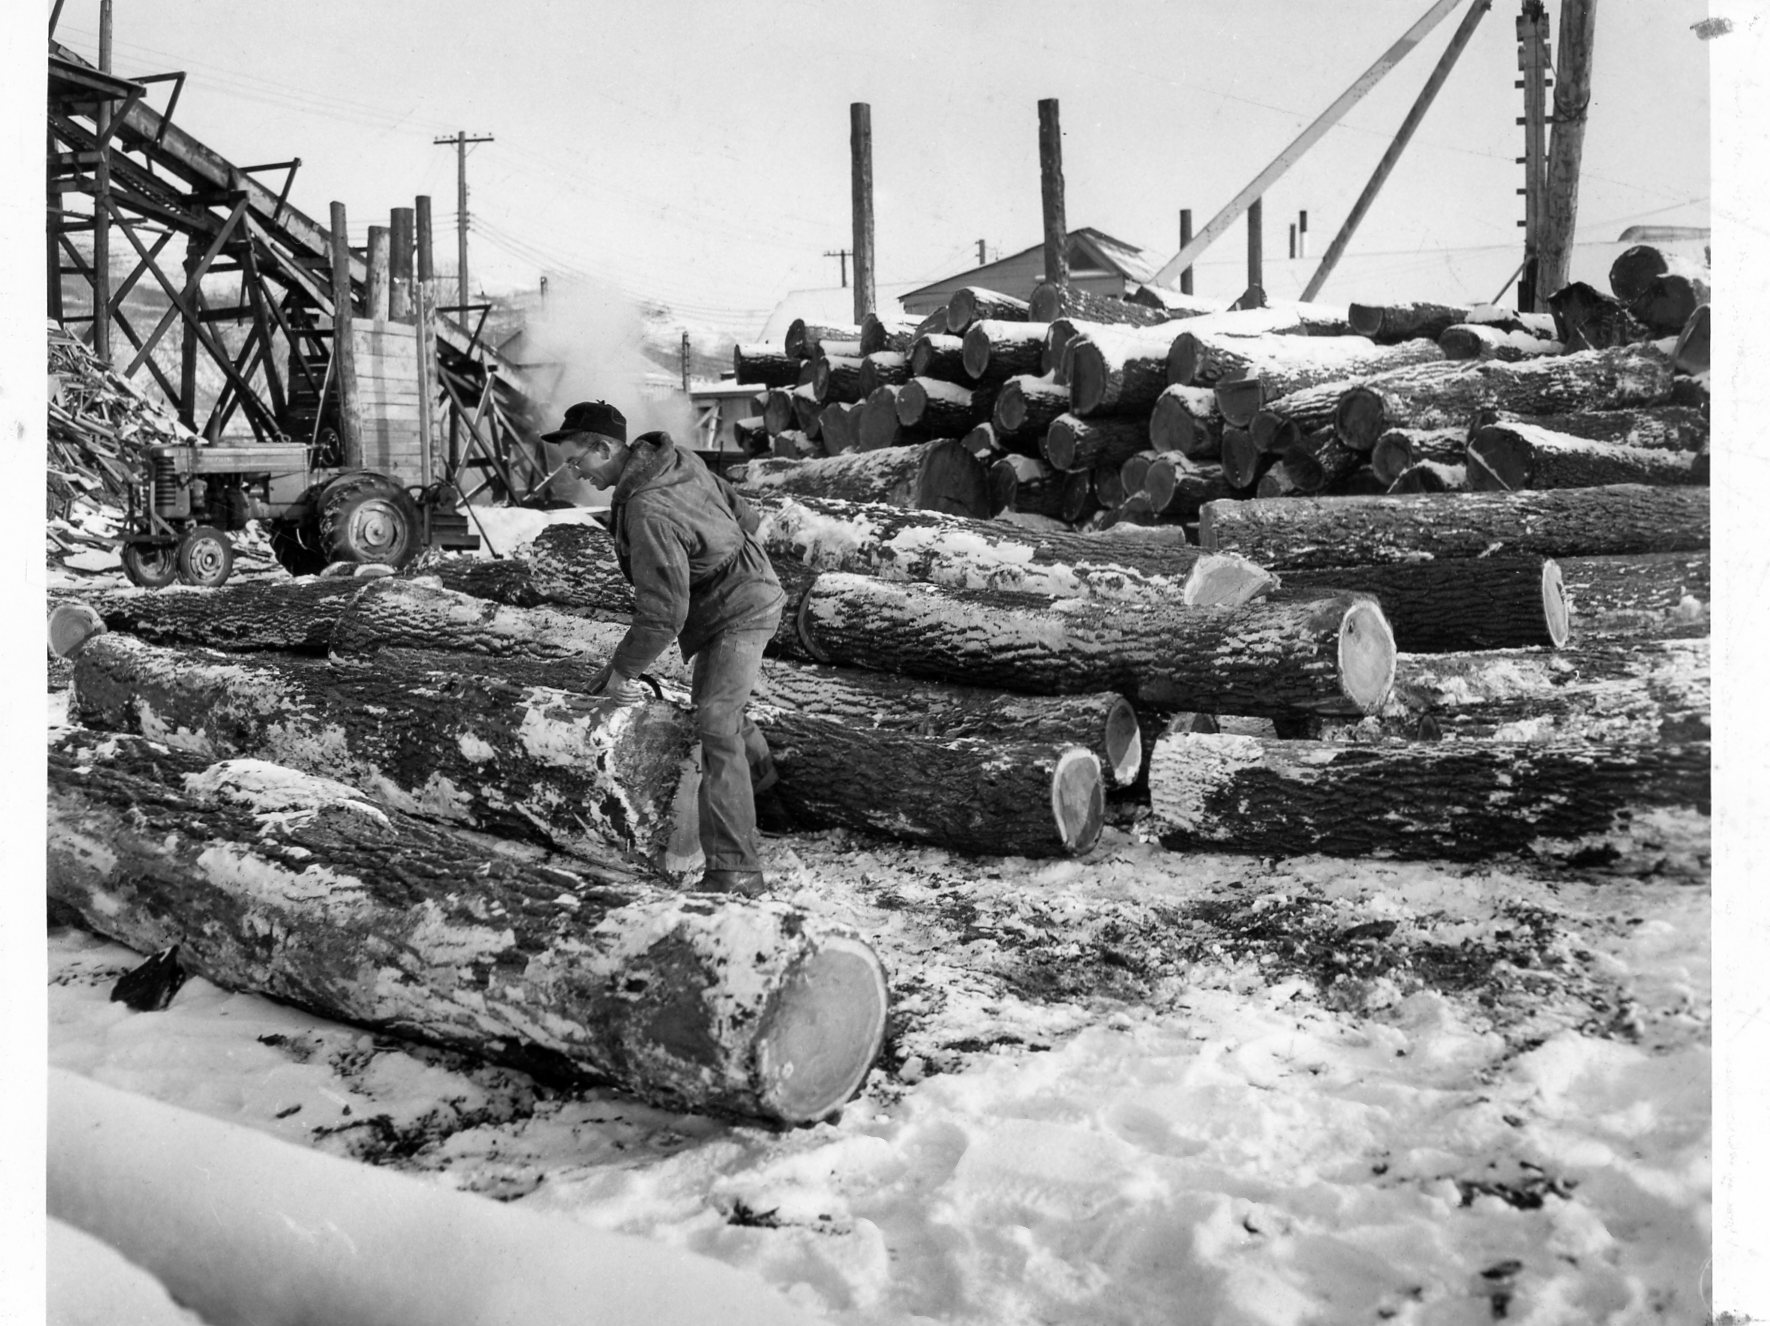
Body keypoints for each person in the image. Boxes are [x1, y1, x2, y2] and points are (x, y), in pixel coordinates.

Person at [541, 400, 787, 896]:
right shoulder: (674, 458)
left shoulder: (647, 508)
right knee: (723, 709)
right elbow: (745, 512)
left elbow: (663, 615)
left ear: (605, 447)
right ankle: (772, 796)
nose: (575, 474)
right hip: (742, 592)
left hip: (741, 609)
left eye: (576, 461)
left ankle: (736, 872)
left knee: (716, 721)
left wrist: (621, 673)